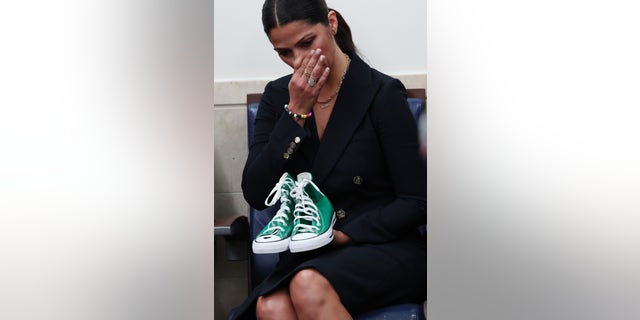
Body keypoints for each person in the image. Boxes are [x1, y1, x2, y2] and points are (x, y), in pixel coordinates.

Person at [233, 0, 427, 319]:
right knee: (270, 306)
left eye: (306, 43)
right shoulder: (279, 98)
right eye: (284, 52)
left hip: (381, 244)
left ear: (331, 23)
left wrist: (342, 234)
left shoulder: (381, 93)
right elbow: (256, 191)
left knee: (307, 285)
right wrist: (295, 114)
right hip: (311, 251)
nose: (297, 61)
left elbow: (417, 200)